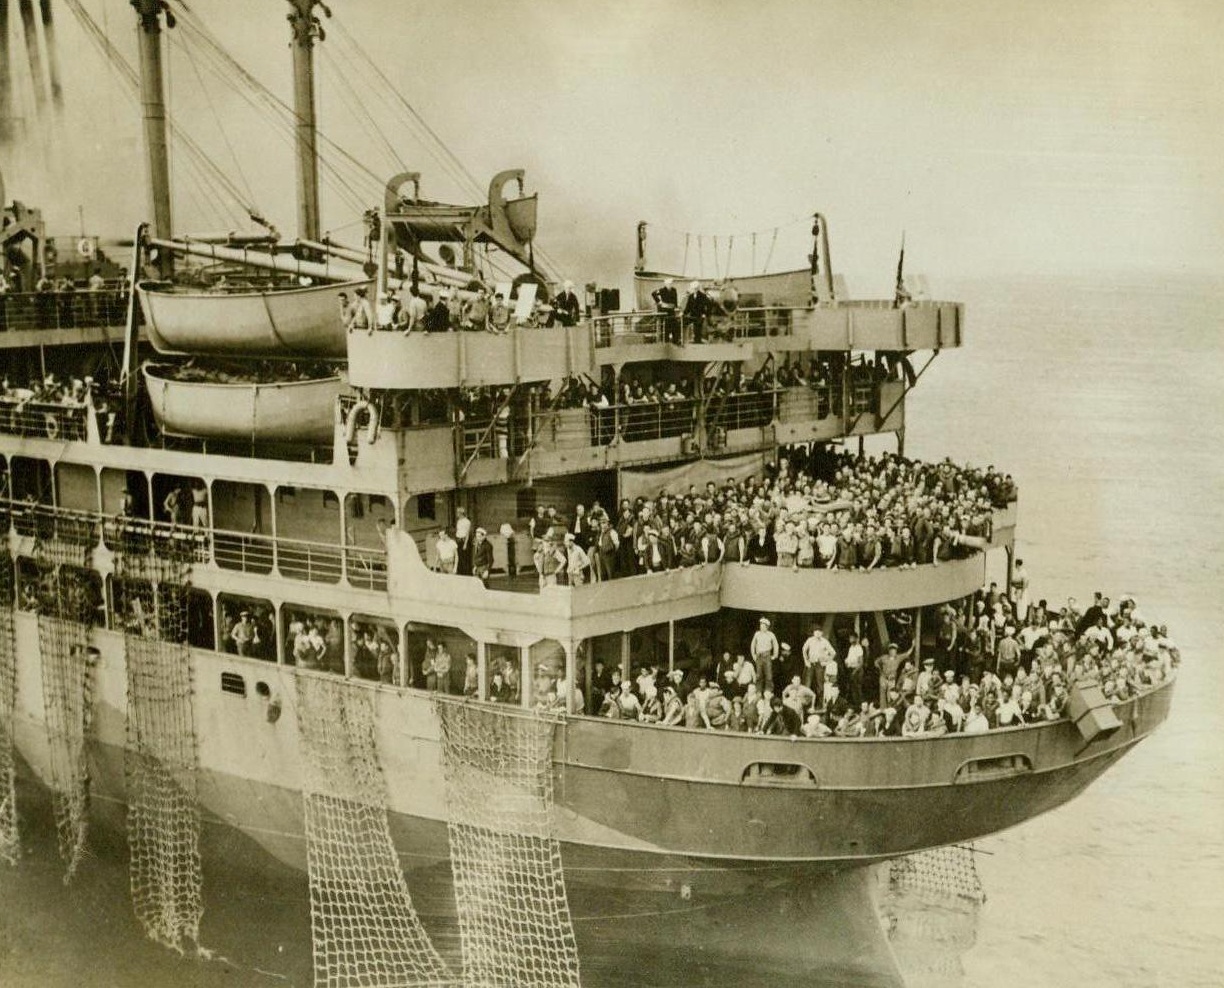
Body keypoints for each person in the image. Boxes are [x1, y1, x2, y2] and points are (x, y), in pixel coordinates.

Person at [750, 617, 780, 695]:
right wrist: (753, 654)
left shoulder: (771, 634)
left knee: (769, 675)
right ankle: (758, 691)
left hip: (767, 656)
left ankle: (768, 691)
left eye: (763, 626)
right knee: (759, 675)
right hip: (759, 656)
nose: (761, 627)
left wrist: (775, 655)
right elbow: (753, 644)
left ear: (767, 627)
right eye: (761, 625)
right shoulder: (757, 634)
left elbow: (776, 645)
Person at [651, 277, 679, 342]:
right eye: (669, 284)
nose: (670, 285)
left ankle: (675, 342)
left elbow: (675, 300)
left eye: (671, 283)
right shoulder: (662, 290)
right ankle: (666, 343)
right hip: (665, 312)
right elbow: (653, 294)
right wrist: (659, 302)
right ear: (665, 284)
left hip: (672, 311)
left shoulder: (674, 290)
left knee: (675, 328)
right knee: (666, 329)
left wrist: (676, 306)